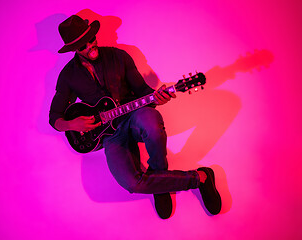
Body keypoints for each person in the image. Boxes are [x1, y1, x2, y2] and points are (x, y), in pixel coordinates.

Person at [49, 15, 221, 219]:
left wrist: (159, 98)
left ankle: (159, 179)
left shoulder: (119, 56)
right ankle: (200, 178)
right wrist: (71, 124)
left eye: (91, 40)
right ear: (74, 49)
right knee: (131, 182)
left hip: (135, 115)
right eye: (83, 46)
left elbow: (142, 91)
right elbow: (54, 117)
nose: (90, 46)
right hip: (109, 135)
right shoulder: (68, 75)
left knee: (151, 124)